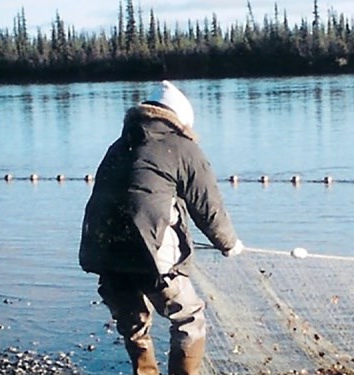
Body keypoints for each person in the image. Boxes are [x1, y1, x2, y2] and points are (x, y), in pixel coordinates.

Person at [79, 80, 244, 375]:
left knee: (134, 325)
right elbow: (207, 207)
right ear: (179, 120)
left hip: (104, 255)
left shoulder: (118, 146)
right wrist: (228, 243)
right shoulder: (182, 147)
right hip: (150, 256)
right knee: (189, 318)